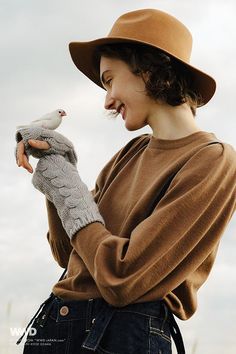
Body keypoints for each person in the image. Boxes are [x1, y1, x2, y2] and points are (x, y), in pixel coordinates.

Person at [15, 8, 236, 354]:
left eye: (109, 80)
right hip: (56, 324)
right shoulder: (130, 153)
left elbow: (122, 278)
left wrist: (69, 190)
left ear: (148, 68)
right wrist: (57, 171)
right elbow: (67, 253)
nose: (107, 100)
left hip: (121, 331)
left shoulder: (213, 159)